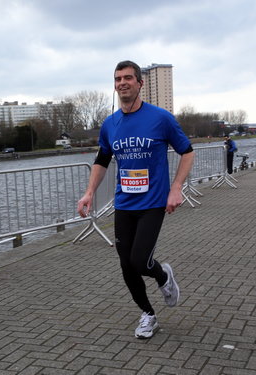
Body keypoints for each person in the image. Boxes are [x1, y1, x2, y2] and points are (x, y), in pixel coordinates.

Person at [77, 60, 194, 339]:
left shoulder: (160, 118)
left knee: (141, 261)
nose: (122, 83)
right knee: (126, 264)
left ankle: (163, 276)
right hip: (124, 205)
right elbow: (102, 159)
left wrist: (176, 188)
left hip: (153, 203)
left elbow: (187, 152)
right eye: (117, 79)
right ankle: (148, 314)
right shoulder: (110, 124)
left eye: (128, 78)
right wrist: (89, 192)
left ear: (140, 83)